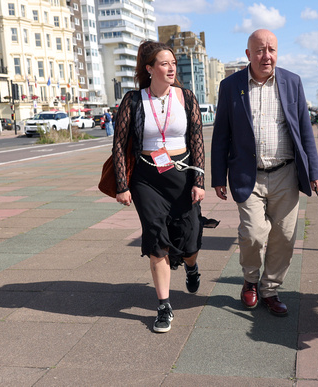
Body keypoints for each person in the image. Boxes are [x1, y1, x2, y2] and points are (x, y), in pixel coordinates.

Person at [210, 29, 318, 316]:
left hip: (286, 173)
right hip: (247, 174)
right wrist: (217, 177)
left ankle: (270, 290)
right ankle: (250, 281)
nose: (267, 56)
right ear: (248, 54)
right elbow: (221, 135)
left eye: (272, 50)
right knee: (252, 233)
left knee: (285, 237)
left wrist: (316, 171)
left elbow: (304, 131)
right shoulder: (231, 86)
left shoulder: (291, 82)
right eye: (260, 50)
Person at [112, 40, 205, 333]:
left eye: (173, 64)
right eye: (164, 64)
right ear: (149, 68)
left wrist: (200, 181)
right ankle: (164, 306)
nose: (171, 68)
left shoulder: (187, 98)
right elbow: (119, 144)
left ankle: (191, 265)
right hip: (146, 178)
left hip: (182, 175)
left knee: (189, 239)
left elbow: (198, 141)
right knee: (156, 237)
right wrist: (122, 185)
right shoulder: (133, 100)